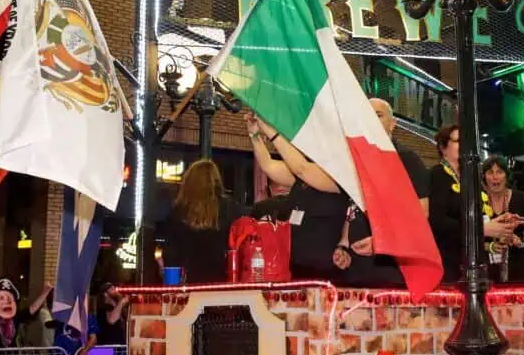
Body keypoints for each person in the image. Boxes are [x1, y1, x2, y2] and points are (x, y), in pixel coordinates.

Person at [332, 99, 431, 285]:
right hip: (355, 268)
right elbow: (352, 207)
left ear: (393, 124)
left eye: (378, 115)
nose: (371, 120)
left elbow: (421, 212)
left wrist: (381, 241)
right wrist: (343, 244)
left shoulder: (407, 159)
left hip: (390, 270)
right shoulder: (356, 158)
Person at [246, 112, 348, 279]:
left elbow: (301, 168)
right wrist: (254, 133)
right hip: (292, 269)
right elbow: (268, 165)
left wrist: (270, 130)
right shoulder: (302, 175)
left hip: (324, 274)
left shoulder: (340, 175)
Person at [427, 124, 518, 282]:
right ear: (443, 147)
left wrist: (498, 225)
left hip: (476, 264)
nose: (465, 146)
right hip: (448, 264)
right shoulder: (438, 175)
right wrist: (481, 229)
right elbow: (438, 222)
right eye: (459, 141)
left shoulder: (470, 178)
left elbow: (480, 218)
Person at [161, 159, 248, 284]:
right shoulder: (231, 208)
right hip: (225, 284)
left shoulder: (178, 212)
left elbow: (170, 257)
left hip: (190, 285)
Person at [481, 155, 524, 282]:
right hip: (486, 273)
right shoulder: (477, 202)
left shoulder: (522, 199)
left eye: (500, 172)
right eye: (490, 172)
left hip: (518, 269)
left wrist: (521, 241)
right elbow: (468, 240)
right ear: (484, 177)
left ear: (507, 176)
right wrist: (489, 246)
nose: (495, 177)